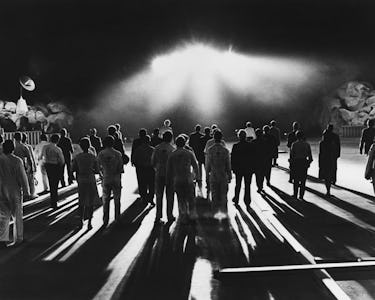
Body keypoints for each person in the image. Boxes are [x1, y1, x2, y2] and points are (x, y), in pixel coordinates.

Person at [0, 140, 30, 246]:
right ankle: (19, 238)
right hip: (15, 190)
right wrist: (27, 191)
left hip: (1, 190)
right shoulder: (17, 161)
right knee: (17, 214)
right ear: (13, 149)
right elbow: (22, 177)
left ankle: (2, 239)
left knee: (3, 215)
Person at [166, 136, 200, 223]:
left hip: (177, 179)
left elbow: (169, 169)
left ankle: (183, 216)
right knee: (191, 198)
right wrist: (196, 176)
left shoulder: (172, 154)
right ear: (184, 143)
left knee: (181, 199)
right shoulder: (189, 153)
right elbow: (196, 166)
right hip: (188, 178)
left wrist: (169, 180)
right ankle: (192, 215)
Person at [72, 138, 100, 230]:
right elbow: (97, 170)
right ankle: (90, 222)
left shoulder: (77, 157)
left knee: (81, 200)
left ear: (80, 146)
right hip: (91, 179)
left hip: (81, 179)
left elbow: (73, 169)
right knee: (90, 201)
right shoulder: (93, 157)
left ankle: (81, 220)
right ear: (89, 146)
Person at [97, 136, 124, 226]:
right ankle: (117, 217)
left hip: (106, 177)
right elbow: (121, 168)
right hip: (116, 178)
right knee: (117, 199)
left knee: (106, 199)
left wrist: (102, 174)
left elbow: (98, 167)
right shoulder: (118, 154)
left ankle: (105, 219)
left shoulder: (101, 154)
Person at [206, 130, 231, 217]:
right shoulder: (225, 151)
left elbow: (208, 164)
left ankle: (215, 213)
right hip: (223, 175)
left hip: (213, 175)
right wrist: (230, 176)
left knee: (214, 195)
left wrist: (207, 175)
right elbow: (228, 165)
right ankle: (224, 213)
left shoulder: (210, 150)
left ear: (213, 137)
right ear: (221, 138)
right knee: (224, 195)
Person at [151, 131, 175, 223]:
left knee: (159, 195)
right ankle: (170, 215)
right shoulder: (172, 149)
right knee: (170, 196)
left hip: (159, 172)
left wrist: (156, 169)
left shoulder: (157, 148)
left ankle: (158, 216)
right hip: (170, 174)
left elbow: (152, 161)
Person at [43, 134, 65, 209]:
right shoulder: (57, 149)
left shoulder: (45, 147)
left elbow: (42, 156)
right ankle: (54, 201)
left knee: (51, 182)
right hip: (55, 166)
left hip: (47, 165)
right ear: (57, 140)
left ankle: (52, 200)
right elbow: (62, 161)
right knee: (55, 184)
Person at [132, 135, 155, 205]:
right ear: (149, 141)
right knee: (151, 184)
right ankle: (151, 198)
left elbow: (134, 159)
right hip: (150, 169)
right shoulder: (153, 150)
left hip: (141, 168)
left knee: (142, 184)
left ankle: (144, 198)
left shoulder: (138, 149)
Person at [231, 129, 252, 206]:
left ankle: (236, 199)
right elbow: (253, 157)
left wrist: (233, 168)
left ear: (239, 137)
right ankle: (247, 200)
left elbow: (233, 158)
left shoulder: (235, 146)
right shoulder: (250, 145)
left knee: (238, 184)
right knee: (247, 185)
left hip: (239, 168)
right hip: (248, 168)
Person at [290, 130, 313, 200]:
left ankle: (295, 194)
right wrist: (308, 163)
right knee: (303, 180)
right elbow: (310, 157)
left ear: (296, 136)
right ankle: (301, 195)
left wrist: (291, 164)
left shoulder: (294, 144)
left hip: (296, 162)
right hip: (303, 162)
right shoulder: (307, 144)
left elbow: (292, 156)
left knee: (296, 180)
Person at [319, 129, 340, 196]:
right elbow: (334, 153)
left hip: (324, 161)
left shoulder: (322, 143)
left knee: (326, 177)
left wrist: (320, 163)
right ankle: (328, 190)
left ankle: (328, 190)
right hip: (331, 161)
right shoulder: (332, 143)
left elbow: (320, 153)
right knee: (329, 175)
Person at [22, 133, 37, 199]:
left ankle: (25, 194)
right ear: (26, 139)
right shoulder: (28, 147)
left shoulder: (17, 146)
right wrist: (34, 166)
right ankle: (32, 194)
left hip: (22, 165)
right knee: (30, 181)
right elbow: (32, 157)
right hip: (28, 165)